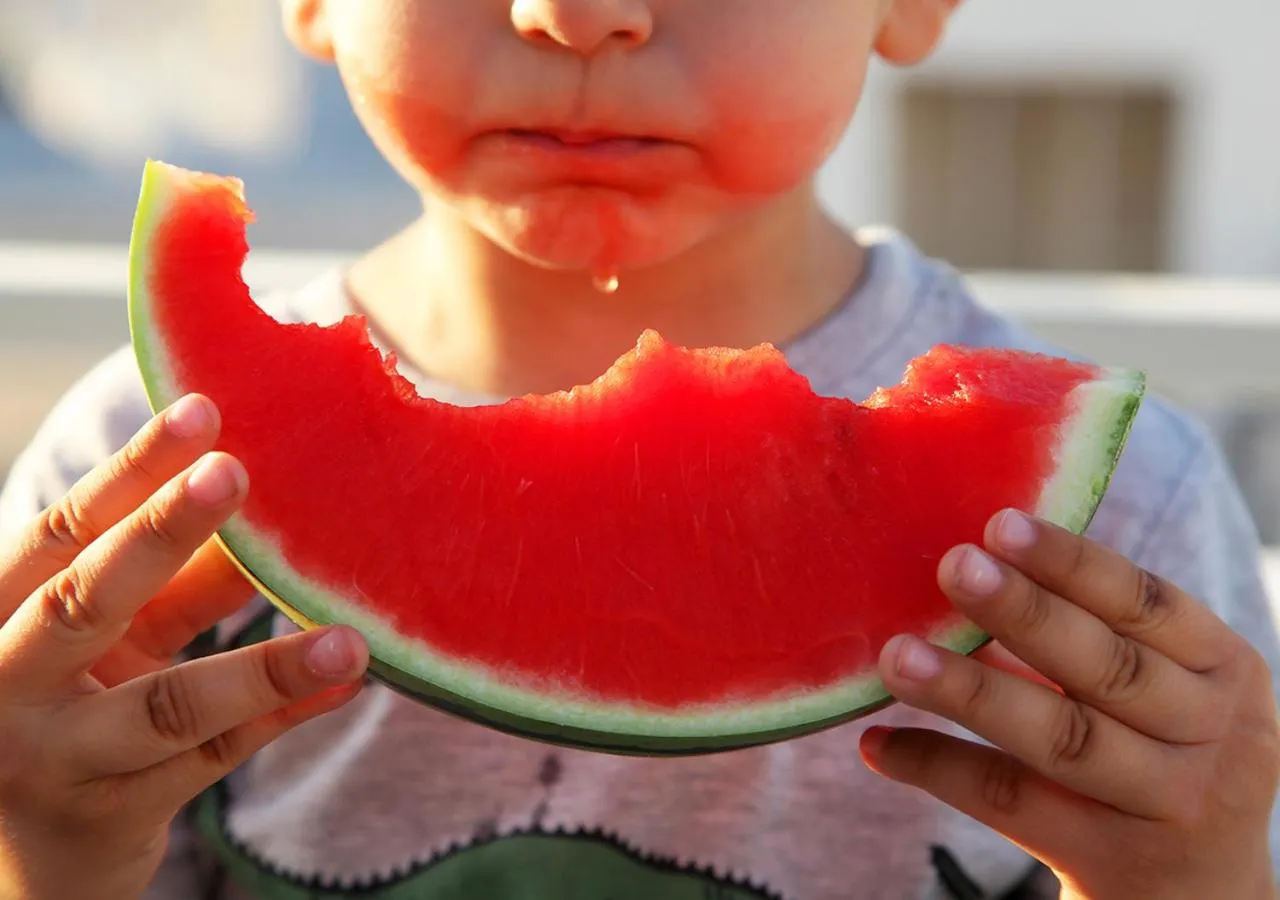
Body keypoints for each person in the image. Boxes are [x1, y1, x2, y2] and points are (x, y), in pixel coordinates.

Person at [1, 2, 1277, 897]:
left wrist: (1196, 885)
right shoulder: (143, 484)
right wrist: (46, 869)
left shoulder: (1121, 521)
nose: (576, 14)